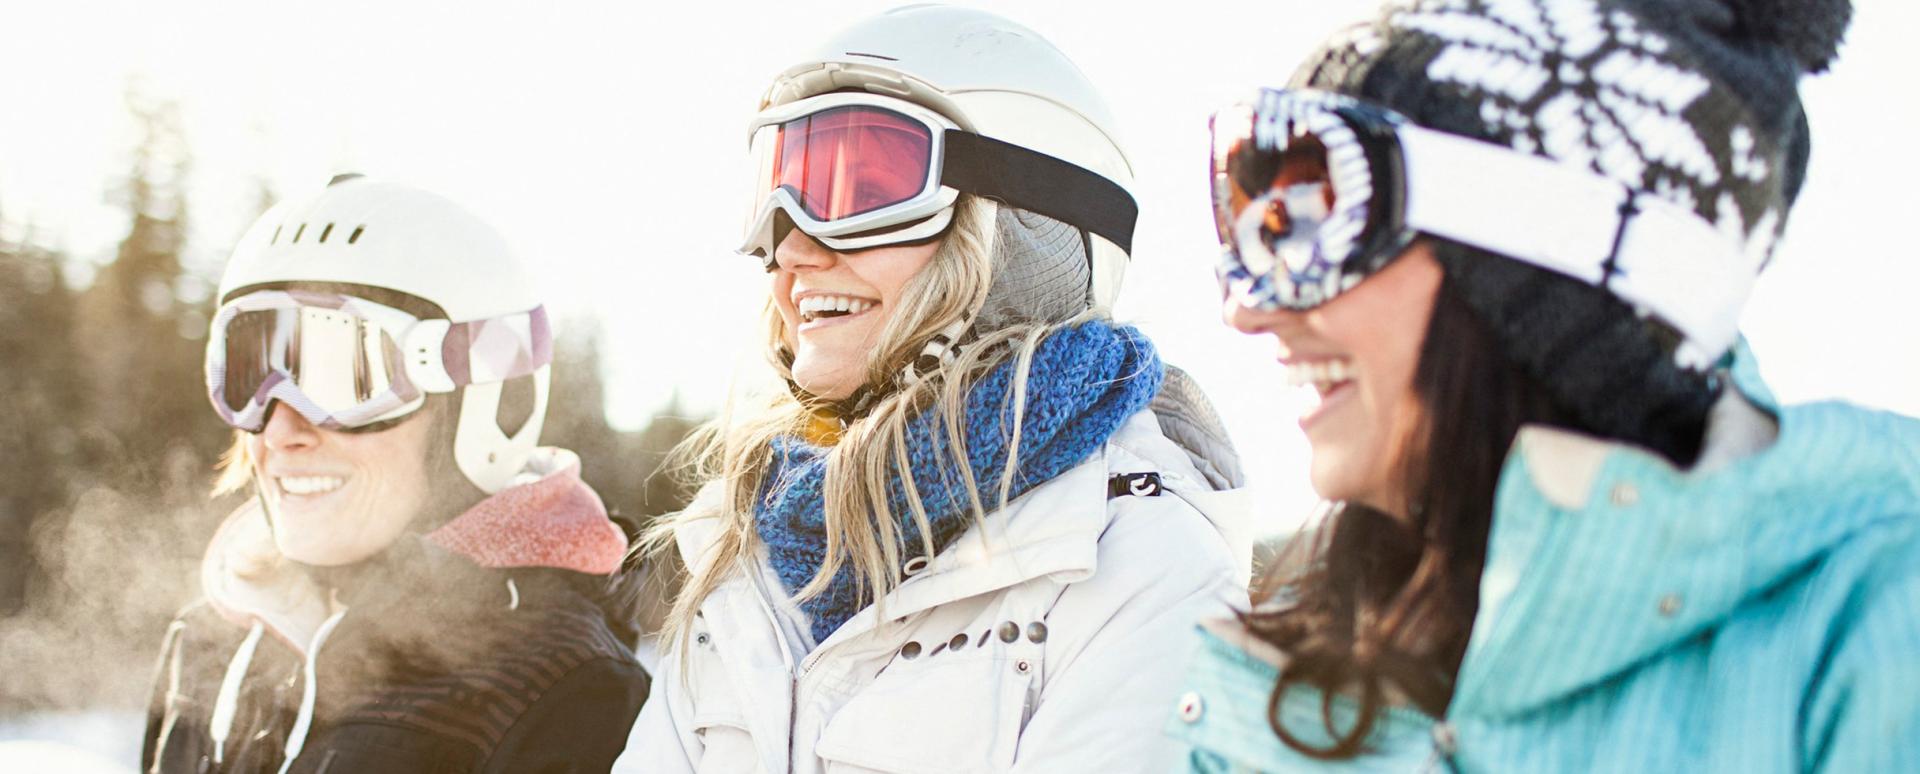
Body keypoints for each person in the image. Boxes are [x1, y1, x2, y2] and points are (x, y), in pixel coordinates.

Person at [1165, 0, 1920, 770]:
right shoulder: (1277, 696)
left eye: (1313, 207)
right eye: (1251, 216)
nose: (1246, 310)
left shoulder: (1874, 633)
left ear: (1545, 256)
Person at [621, 5, 1252, 771]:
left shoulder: (1141, 566)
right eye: (779, 187)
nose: (792, 246)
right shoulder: (745, 555)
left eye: (865, 187)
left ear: (1025, 236)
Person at [143, 176, 649, 773]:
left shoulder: (565, 690)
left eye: (343, 376)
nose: (280, 432)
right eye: (252, 372)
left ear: (482, 403)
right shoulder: (209, 640)